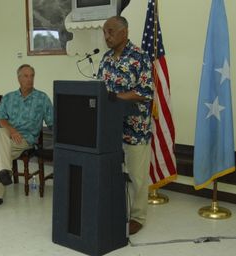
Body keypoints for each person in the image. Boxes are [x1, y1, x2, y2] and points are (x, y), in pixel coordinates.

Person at [97, 16, 153, 235]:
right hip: (110, 127)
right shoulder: (106, 59)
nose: (107, 36)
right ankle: (114, 210)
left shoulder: (140, 57)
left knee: (137, 176)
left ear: (124, 32)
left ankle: (138, 216)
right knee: (111, 172)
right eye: (105, 32)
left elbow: (145, 92)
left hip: (135, 127)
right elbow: (101, 88)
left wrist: (116, 97)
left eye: (110, 31)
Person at [0, 64, 53, 211]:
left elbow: (52, 122)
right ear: (19, 78)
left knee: (0, 153)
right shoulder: (8, 97)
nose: (30, 79)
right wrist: (12, 130)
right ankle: (4, 172)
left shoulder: (42, 98)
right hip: (8, 134)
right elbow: (1, 119)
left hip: (26, 139)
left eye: (32, 76)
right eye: (26, 76)